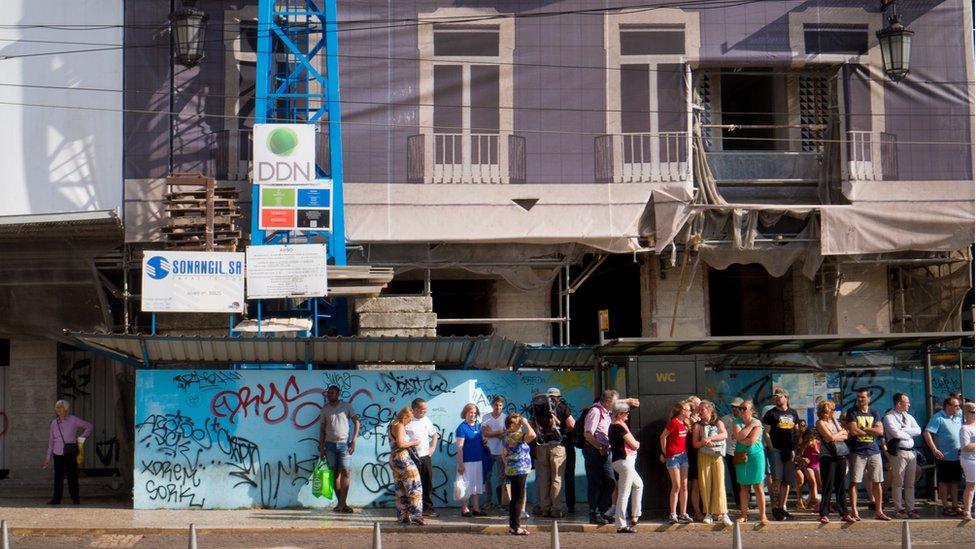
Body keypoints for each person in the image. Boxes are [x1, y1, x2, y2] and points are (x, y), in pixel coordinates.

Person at [583, 389, 639, 525]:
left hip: (605, 451)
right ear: (608, 402)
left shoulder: (606, 411)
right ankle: (594, 513)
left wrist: (628, 401)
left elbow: (618, 402)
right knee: (596, 482)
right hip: (594, 450)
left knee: (610, 481)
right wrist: (599, 447)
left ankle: (602, 511)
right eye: (614, 402)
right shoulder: (596, 412)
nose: (616, 405)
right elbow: (588, 434)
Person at [845, 388, 890, 521]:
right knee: (855, 481)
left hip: (874, 450)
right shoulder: (852, 412)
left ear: (869, 398)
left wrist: (863, 429)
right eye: (858, 397)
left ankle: (879, 511)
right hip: (857, 451)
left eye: (862, 397)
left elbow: (880, 431)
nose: (859, 399)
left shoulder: (874, 412)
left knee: (877, 481)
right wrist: (872, 431)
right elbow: (853, 431)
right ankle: (854, 511)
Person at [532, 387, 574, 518]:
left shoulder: (536, 406)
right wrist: (564, 430)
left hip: (541, 445)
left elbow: (532, 426)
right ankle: (556, 509)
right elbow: (572, 425)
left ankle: (544, 508)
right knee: (557, 478)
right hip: (558, 446)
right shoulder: (562, 407)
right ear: (558, 397)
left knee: (543, 478)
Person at [318, 385, 360, 513]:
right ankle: (341, 504)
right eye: (328, 393)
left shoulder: (346, 406)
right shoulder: (324, 409)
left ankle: (342, 504)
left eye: (332, 393)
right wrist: (321, 448)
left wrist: (353, 441)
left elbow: (357, 422)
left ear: (338, 394)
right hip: (329, 445)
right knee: (334, 474)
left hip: (344, 445)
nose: (330, 395)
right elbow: (322, 429)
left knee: (346, 472)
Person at [44, 400, 92, 505]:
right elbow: (51, 441)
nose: (59, 410)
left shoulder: (73, 420)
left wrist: (81, 439)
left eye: (61, 407)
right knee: (58, 476)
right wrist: (48, 457)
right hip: (57, 453)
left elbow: (89, 426)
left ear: (66, 409)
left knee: (72, 475)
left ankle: (75, 498)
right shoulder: (53, 423)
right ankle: (56, 499)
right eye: (57, 408)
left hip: (70, 451)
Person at [762, 389, 799, 521]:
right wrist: (771, 448)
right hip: (776, 450)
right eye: (775, 397)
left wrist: (795, 448)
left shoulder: (793, 412)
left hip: (789, 450)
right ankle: (775, 507)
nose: (777, 399)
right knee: (776, 478)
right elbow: (766, 433)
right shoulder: (771, 413)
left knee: (787, 480)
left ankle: (783, 507)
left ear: (786, 397)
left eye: (779, 396)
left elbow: (796, 430)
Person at [815, 399, 855, 524]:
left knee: (841, 485)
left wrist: (838, 435)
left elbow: (846, 435)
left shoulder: (834, 421)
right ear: (825, 411)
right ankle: (824, 513)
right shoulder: (820, 422)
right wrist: (838, 435)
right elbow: (829, 437)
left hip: (840, 456)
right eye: (831, 410)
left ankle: (844, 513)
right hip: (828, 457)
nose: (834, 412)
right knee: (828, 485)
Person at [883, 392, 922, 519]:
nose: (909, 404)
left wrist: (904, 429)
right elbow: (895, 434)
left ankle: (911, 508)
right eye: (907, 402)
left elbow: (918, 430)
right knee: (898, 481)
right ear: (899, 403)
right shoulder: (889, 417)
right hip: (899, 452)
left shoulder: (908, 417)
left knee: (910, 483)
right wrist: (907, 432)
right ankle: (899, 508)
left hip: (911, 452)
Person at [694, 400, 732, 526]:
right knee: (705, 484)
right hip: (704, 455)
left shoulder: (718, 422)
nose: (700, 412)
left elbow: (724, 434)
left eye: (702, 409)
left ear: (709, 410)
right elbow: (695, 444)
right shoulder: (697, 425)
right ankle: (708, 512)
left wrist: (710, 438)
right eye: (699, 410)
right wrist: (704, 442)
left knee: (719, 483)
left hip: (717, 456)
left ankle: (723, 512)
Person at [924, 395, 963, 516]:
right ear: (947, 406)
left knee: (955, 481)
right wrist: (934, 449)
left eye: (958, 405)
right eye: (955, 405)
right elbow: (927, 433)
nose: (958, 407)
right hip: (944, 456)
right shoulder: (938, 417)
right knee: (944, 482)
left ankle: (955, 505)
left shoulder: (958, 417)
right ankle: (945, 506)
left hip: (956, 455)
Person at [732, 400, 768, 525]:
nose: (741, 410)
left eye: (744, 408)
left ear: (752, 410)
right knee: (743, 486)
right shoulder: (738, 422)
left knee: (758, 486)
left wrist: (740, 436)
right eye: (740, 408)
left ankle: (763, 515)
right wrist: (751, 426)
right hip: (741, 456)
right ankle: (743, 514)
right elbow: (738, 435)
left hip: (756, 456)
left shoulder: (758, 423)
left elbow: (751, 440)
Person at [608, 402, 642, 533]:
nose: (628, 414)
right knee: (624, 493)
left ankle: (635, 515)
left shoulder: (616, 426)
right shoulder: (618, 427)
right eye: (626, 412)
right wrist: (637, 444)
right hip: (624, 462)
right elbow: (634, 444)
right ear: (620, 414)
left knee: (638, 484)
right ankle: (621, 524)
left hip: (622, 462)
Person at [388, 407, 424, 525]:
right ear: (405, 417)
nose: (409, 422)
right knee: (414, 485)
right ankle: (415, 515)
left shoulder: (392, 425)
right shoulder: (399, 425)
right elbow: (401, 443)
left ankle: (403, 515)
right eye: (409, 419)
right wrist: (414, 442)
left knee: (401, 488)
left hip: (394, 458)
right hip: (403, 458)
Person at [502, 413, 536, 535]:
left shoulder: (509, 435)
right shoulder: (515, 435)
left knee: (515, 498)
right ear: (511, 426)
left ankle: (513, 526)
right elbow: (533, 435)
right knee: (518, 499)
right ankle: (516, 527)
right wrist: (526, 423)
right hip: (518, 470)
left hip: (515, 469)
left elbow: (504, 453)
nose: (520, 424)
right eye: (517, 423)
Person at [406, 398, 439, 517]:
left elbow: (434, 434)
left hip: (425, 457)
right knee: (412, 484)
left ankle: (427, 508)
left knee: (427, 483)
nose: (424, 412)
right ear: (414, 409)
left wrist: (432, 448)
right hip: (411, 457)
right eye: (421, 410)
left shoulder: (426, 420)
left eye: (425, 410)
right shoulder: (407, 421)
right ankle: (412, 509)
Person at [661, 400, 692, 524]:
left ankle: (683, 514)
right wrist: (665, 453)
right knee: (676, 485)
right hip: (673, 456)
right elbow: (663, 436)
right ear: (682, 411)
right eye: (688, 410)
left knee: (684, 485)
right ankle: (673, 513)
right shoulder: (674, 422)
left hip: (683, 456)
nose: (690, 412)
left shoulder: (685, 422)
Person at [455, 403, 486, 517]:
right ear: (465, 413)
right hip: (466, 461)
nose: (472, 415)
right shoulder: (461, 427)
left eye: (474, 413)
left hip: (478, 460)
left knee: (476, 485)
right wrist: (460, 464)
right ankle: (465, 509)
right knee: (464, 485)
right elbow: (459, 447)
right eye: (470, 412)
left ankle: (476, 509)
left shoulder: (479, 426)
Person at [481, 395, 509, 510]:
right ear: (492, 405)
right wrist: (500, 433)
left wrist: (492, 432)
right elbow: (485, 433)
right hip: (488, 451)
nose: (498, 407)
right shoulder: (486, 417)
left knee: (502, 477)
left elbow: (506, 433)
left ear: (503, 406)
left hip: (502, 452)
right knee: (487, 477)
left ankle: (502, 502)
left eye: (500, 405)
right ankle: (488, 501)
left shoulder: (506, 418)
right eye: (496, 404)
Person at [684, 396, 703, 521]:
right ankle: (696, 511)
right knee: (692, 484)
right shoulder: (687, 421)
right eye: (698, 405)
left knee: (699, 484)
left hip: (701, 453)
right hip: (690, 454)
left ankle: (700, 510)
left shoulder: (702, 419)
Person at [794, 428, 820, 510]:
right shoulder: (804, 444)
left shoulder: (818, 443)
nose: (809, 441)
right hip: (808, 466)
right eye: (807, 438)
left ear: (814, 437)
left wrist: (817, 451)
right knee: (813, 482)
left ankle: (810, 501)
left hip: (817, 465)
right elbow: (799, 455)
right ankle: (814, 499)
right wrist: (803, 459)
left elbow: (822, 455)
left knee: (820, 484)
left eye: (810, 438)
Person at [721, 397, 743, 490]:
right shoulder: (726, 419)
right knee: (734, 477)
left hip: (744, 451)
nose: (734, 408)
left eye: (737, 407)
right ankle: (738, 502)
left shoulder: (746, 419)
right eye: (733, 406)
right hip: (730, 452)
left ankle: (747, 500)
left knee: (745, 476)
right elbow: (720, 433)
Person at [960, 402, 975, 520]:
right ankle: (967, 511)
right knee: (971, 485)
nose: (975, 414)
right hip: (970, 459)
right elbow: (965, 446)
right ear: (966, 413)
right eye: (973, 412)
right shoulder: (965, 428)